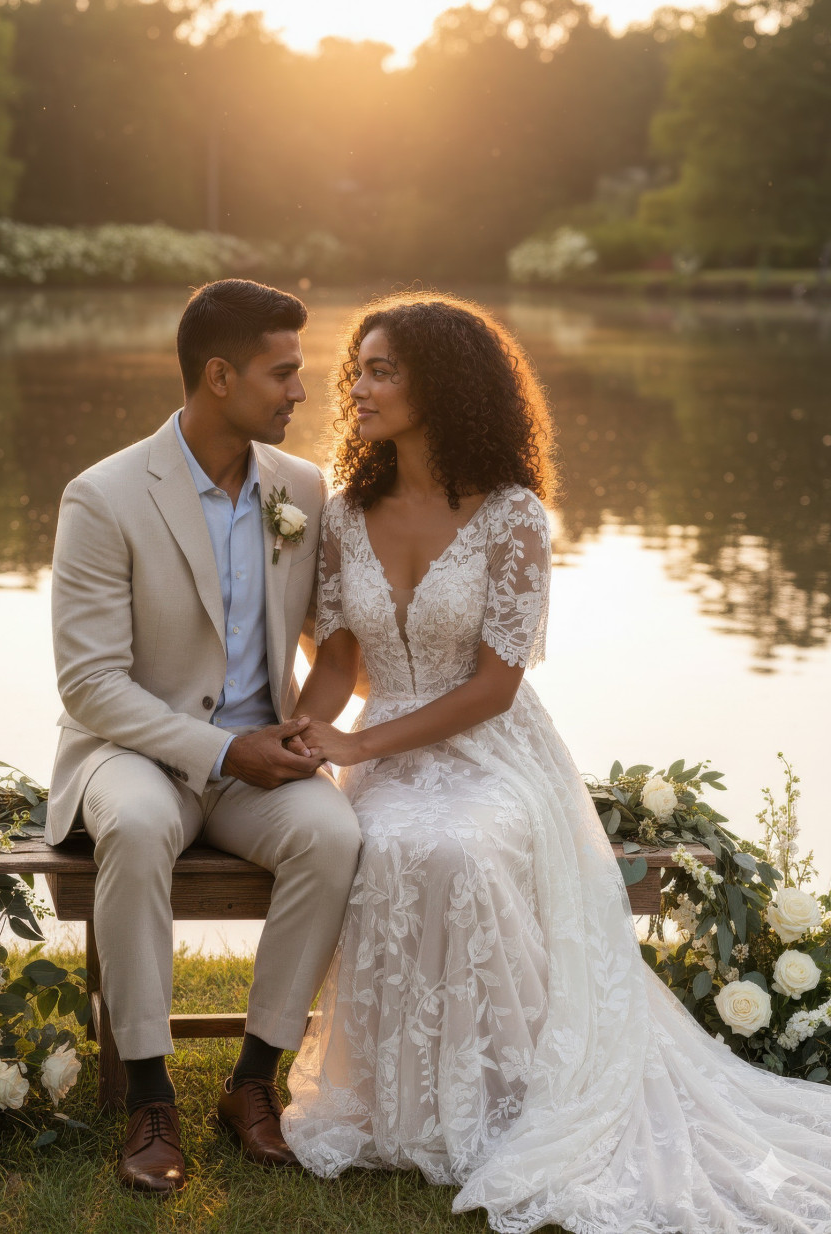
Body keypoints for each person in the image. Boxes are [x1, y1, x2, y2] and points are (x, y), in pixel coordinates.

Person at [279, 291, 831, 1232]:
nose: (357, 388)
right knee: (377, 841)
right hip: (384, 756)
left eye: (382, 370)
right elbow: (336, 661)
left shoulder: (515, 517)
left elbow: (495, 686)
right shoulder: (344, 510)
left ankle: (502, 1095)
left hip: (492, 750)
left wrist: (358, 740)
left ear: (443, 385)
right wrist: (301, 735)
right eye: (357, 370)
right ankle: (397, 1105)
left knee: (460, 849)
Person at [46, 278, 361, 1195]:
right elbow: (91, 684)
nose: (300, 391)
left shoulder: (301, 489)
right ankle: (151, 1101)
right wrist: (224, 751)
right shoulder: (102, 496)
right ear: (219, 376)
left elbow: (336, 645)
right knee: (139, 827)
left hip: (261, 759)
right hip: (132, 754)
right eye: (284, 373)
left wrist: (308, 730)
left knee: (334, 834)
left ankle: (254, 1084)